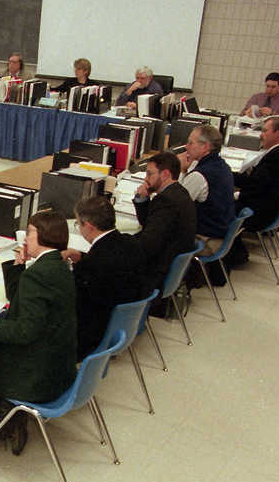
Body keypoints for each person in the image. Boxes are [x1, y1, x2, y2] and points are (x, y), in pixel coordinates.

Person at [0, 210, 77, 455]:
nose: (25, 238)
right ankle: (10, 418)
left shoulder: (38, 275)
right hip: (60, 365)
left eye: (29, 232)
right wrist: (19, 268)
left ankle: (7, 419)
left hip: (38, 377)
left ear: (43, 237)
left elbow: (24, 332)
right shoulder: (59, 266)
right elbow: (24, 301)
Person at [63, 196, 146, 361]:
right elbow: (110, 261)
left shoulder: (94, 265)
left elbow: (71, 300)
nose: (78, 228)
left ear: (89, 226)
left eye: (78, 224)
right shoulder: (130, 242)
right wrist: (80, 256)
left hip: (90, 335)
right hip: (123, 324)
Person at [131, 151, 196, 298]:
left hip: (156, 271)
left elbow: (148, 245)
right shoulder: (179, 192)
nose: (146, 179)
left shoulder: (166, 201)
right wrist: (142, 199)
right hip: (168, 261)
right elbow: (151, 224)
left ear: (165, 174)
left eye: (149, 174)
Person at [177, 125, 235, 256]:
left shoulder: (200, 175)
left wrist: (181, 170)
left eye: (191, 143)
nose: (186, 146)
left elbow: (175, 203)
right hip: (220, 232)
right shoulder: (222, 165)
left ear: (206, 147)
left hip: (207, 239)